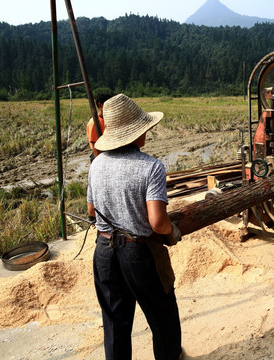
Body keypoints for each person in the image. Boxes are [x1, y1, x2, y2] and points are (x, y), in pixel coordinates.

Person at [86, 93, 182, 360]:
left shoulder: (97, 164)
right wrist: (172, 232)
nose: (146, 133)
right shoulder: (151, 167)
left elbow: (91, 211)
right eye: (143, 128)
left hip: (104, 250)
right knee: (162, 315)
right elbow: (157, 222)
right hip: (137, 253)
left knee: (115, 321)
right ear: (134, 133)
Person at [86, 92, 113, 161]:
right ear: (100, 105)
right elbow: (95, 147)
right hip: (100, 156)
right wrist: (100, 162)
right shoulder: (94, 123)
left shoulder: (108, 119)